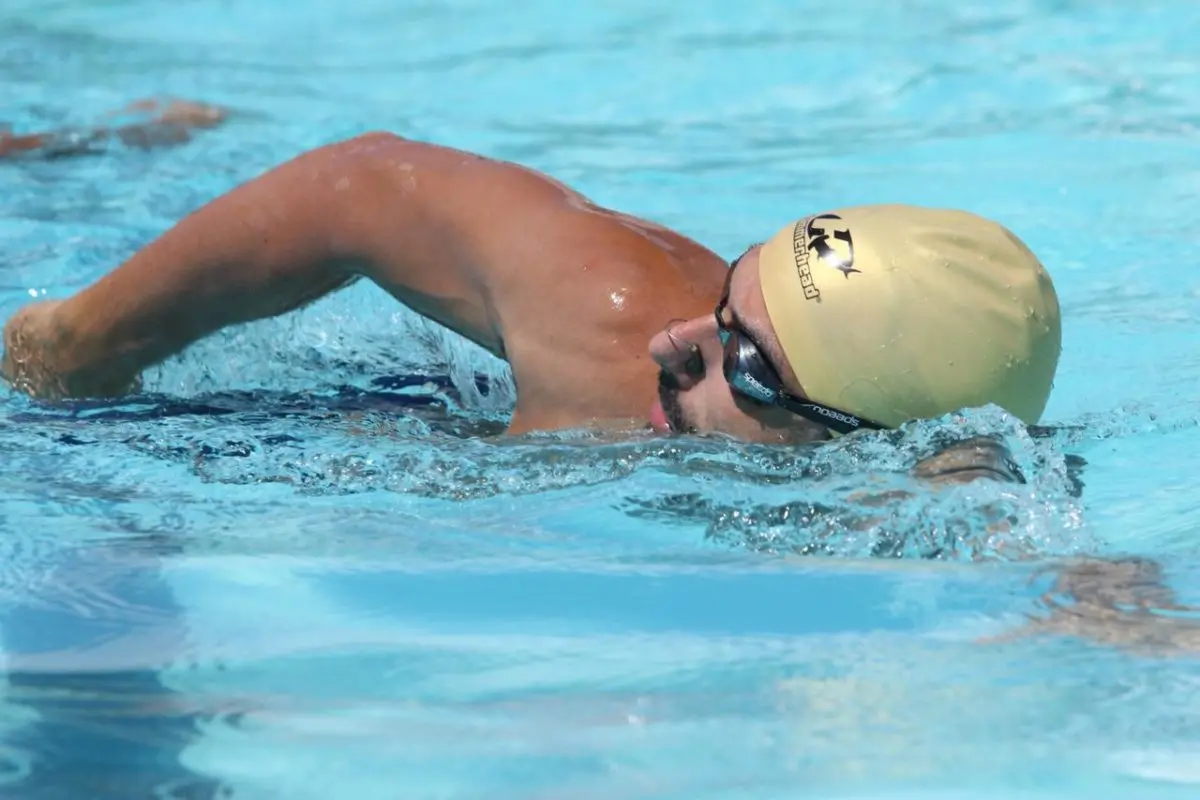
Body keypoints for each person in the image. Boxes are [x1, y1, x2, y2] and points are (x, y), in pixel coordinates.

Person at [0, 116, 1062, 444]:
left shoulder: (898, 494)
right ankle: (94, 144)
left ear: (860, 436)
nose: (672, 339)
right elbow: (360, 184)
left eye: (741, 359)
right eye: (726, 297)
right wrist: (80, 344)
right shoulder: (607, 314)